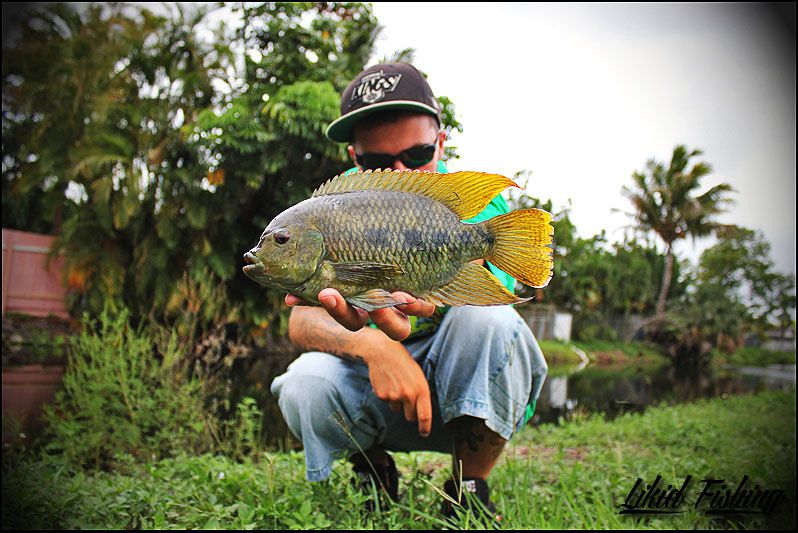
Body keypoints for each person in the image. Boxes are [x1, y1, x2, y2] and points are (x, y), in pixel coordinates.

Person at [269, 62, 549, 521]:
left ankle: (468, 486)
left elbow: (495, 297)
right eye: (379, 162)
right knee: (304, 383)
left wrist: (441, 289)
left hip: (459, 392)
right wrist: (375, 346)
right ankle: (375, 472)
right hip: (379, 392)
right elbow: (300, 319)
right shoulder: (325, 215)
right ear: (357, 160)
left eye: (417, 155)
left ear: (441, 143)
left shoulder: (474, 208)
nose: (401, 170)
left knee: (491, 320)